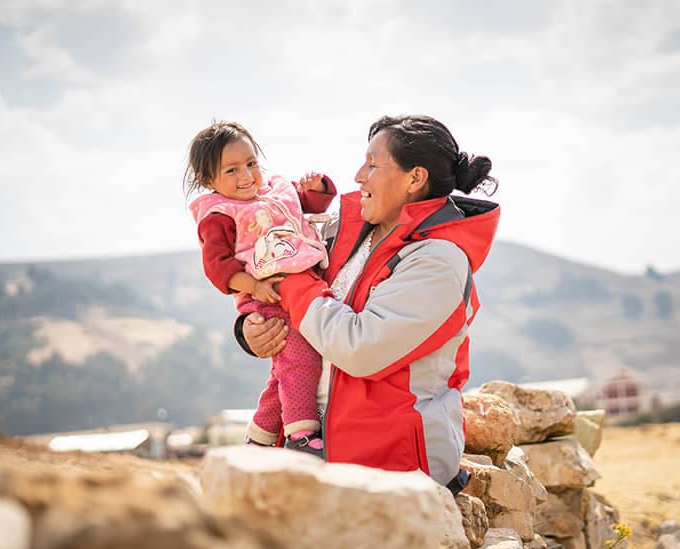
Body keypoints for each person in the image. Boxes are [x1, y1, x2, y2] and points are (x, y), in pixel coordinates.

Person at [237, 114, 498, 489]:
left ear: (415, 178)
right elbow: (275, 292)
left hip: (390, 468)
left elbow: (360, 349)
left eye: (373, 164)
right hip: (315, 451)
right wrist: (250, 330)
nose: (359, 175)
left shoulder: (439, 261)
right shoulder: (342, 231)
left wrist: (292, 280)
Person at [185, 120, 336, 455]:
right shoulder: (220, 215)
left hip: (296, 290)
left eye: (251, 163)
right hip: (264, 296)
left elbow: (308, 204)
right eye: (232, 170)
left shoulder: (276, 192)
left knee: (285, 369)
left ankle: (261, 436)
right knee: (300, 359)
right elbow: (217, 266)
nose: (247, 176)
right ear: (208, 181)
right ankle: (300, 434)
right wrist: (253, 285)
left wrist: (319, 186)